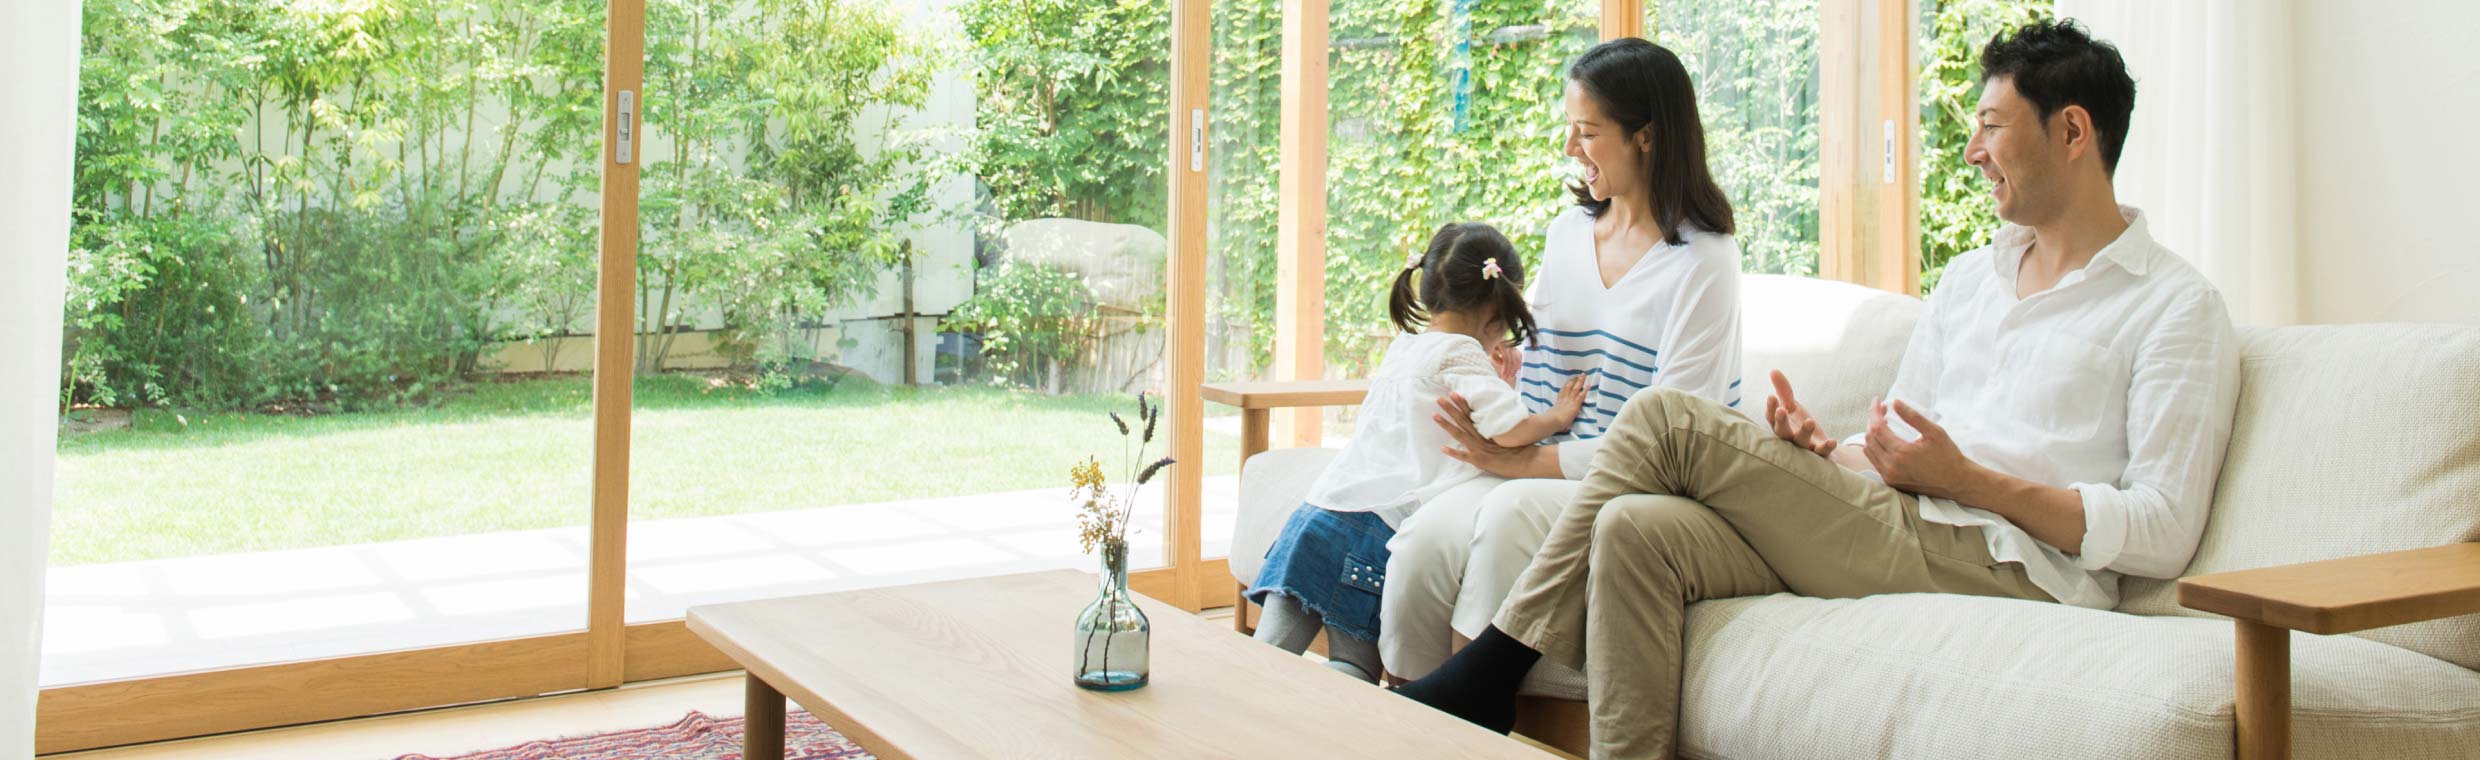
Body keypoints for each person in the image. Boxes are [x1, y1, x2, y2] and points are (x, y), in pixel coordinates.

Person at [1393, 20, 2244, 760]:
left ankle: (1493, 666)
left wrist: (1972, 483)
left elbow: (2163, 530)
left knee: (1665, 421)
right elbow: (1896, 452)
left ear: (2071, 132)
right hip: (1907, 522)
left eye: (1991, 125)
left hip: (2011, 564)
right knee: (1634, 530)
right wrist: (1826, 452)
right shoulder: (1969, 281)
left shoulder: (2173, 305)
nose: (1974, 149)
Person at [1380, 36, 1747, 682]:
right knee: (1424, 539)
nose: (1571, 150)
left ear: (1647, 137)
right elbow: (1542, 370)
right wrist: (1504, 389)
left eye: (1587, 132)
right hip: (1548, 462)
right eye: (1569, 130)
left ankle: (1466, 717)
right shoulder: (1567, 234)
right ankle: (1406, 716)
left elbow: (1672, 442)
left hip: (1633, 483)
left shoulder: (1704, 261)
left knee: (1504, 514)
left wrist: (1524, 460)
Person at [1246, 222, 1589, 683]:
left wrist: (1496, 383)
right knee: (1352, 668)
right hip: (1372, 527)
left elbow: (1442, 408)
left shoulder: (1406, 346)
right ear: (1494, 310)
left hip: (1317, 514)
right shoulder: (1462, 355)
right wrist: (1556, 417)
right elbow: (1509, 431)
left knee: (1266, 658)